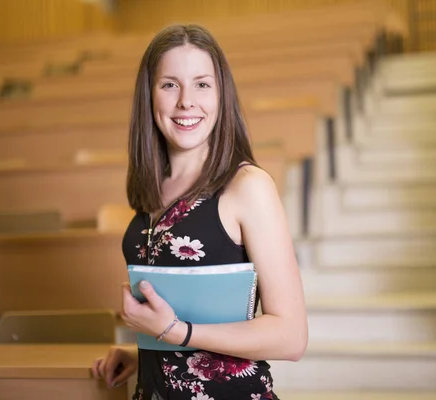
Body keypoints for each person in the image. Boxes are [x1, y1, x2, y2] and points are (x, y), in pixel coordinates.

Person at [91, 24, 308, 400]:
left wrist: (175, 333)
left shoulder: (248, 186)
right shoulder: (150, 188)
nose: (186, 101)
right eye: (170, 84)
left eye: (202, 84)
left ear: (222, 95)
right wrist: (143, 352)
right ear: (150, 96)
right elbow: (178, 316)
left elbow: (291, 337)